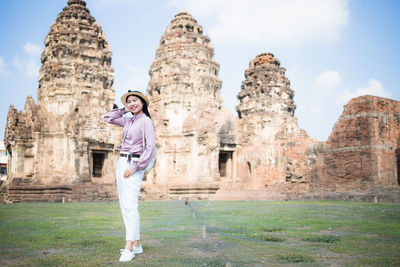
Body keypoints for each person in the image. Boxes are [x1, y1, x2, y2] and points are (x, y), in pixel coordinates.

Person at [103, 90, 156, 262]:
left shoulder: (146, 121)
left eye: (136, 101)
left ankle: (129, 247)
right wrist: (124, 110)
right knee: (125, 206)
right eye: (129, 101)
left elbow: (150, 148)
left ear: (143, 103)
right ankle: (138, 244)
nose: (133, 103)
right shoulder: (128, 120)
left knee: (130, 206)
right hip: (122, 162)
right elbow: (108, 118)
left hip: (133, 164)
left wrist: (135, 166)